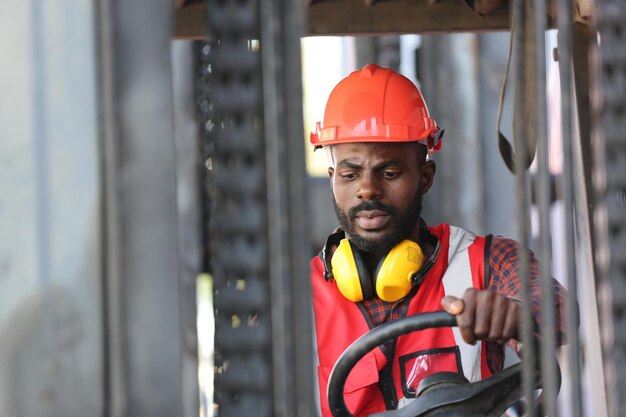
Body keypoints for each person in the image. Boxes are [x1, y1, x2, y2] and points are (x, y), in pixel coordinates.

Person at [308, 63, 567, 417]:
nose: (367, 189)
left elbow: (558, 308)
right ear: (332, 179)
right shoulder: (296, 300)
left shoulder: (485, 262)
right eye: (350, 174)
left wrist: (516, 314)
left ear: (426, 177)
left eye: (390, 172)